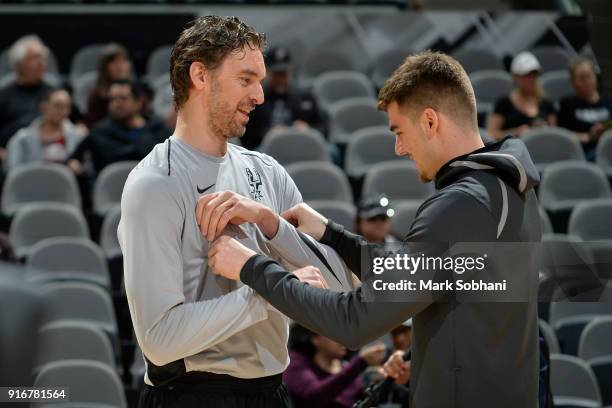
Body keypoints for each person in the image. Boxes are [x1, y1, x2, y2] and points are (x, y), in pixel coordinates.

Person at [209, 51, 542, 407]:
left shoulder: (457, 207)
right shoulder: (512, 187)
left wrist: (250, 266)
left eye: (400, 132)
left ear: (430, 121)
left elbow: (354, 322)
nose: (399, 149)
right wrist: (331, 234)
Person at [118, 16, 358, 408]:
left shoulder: (267, 172)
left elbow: (344, 291)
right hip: (191, 395)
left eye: (259, 81)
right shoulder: (154, 184)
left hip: (271, 392)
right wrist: (273, 290)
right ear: (200, 76)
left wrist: (271, 223)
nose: (260, 95)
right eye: (246, 80)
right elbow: (159, 342)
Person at [68, 79, 169, 176]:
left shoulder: (158, 130)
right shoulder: (100, 133)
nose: (116, 104)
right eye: (112, 99)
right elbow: (74, 159)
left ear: (138, 102)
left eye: (123, 98)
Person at [241, 46, 324, 150]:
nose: (280, 79)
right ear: (266, 73)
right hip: (268, 150)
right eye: (276, 74)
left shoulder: (305, 96)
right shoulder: (255, 99)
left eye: (283, 73)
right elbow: (246, 136)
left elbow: (323, 127)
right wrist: (268, 133)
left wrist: (309, 129)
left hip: (302, 145)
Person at [283, 324, 385, 408]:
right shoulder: (296, 364)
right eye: (336, 333)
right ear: (315, 338)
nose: (344, 339)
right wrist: (360, 362)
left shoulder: (345, 367)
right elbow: (315, 397)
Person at [5, 87, 84, 172]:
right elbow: (13, 172)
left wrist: (79, 168)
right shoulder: (22, 139)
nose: (64, 112)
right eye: (58, 106)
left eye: (67, 107)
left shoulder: (77, 137)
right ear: (43, 107)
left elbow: (87, 167)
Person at [0, 35, 53, 149]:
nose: (41, 63)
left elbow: (77, 122)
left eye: (43, 58)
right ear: (18, 64)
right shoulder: (4, 96)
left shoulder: (54, 93)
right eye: (34, 58)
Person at [487, 51, 556, 139]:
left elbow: (554, 133)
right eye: (526, 75)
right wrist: (515, 132)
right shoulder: (503, 104)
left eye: (534, 74)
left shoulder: (546, 103)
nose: (531, 79)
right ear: (515, 77)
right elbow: (491, 134)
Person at [558, 55, 612, 161]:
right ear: (573, 82)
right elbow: (562, 136)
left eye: (589, 76)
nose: (587, 81)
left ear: (596, 76)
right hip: (584, 153)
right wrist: (589, 136)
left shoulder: (609, 102)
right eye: (582, 78)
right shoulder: (567, 104)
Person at [85, 43, 132, 128]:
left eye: (124, 60)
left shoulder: (137, 92)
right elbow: (94, 127)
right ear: (104, 67)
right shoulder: (96, 96)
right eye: (114, 62)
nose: (120, 66)